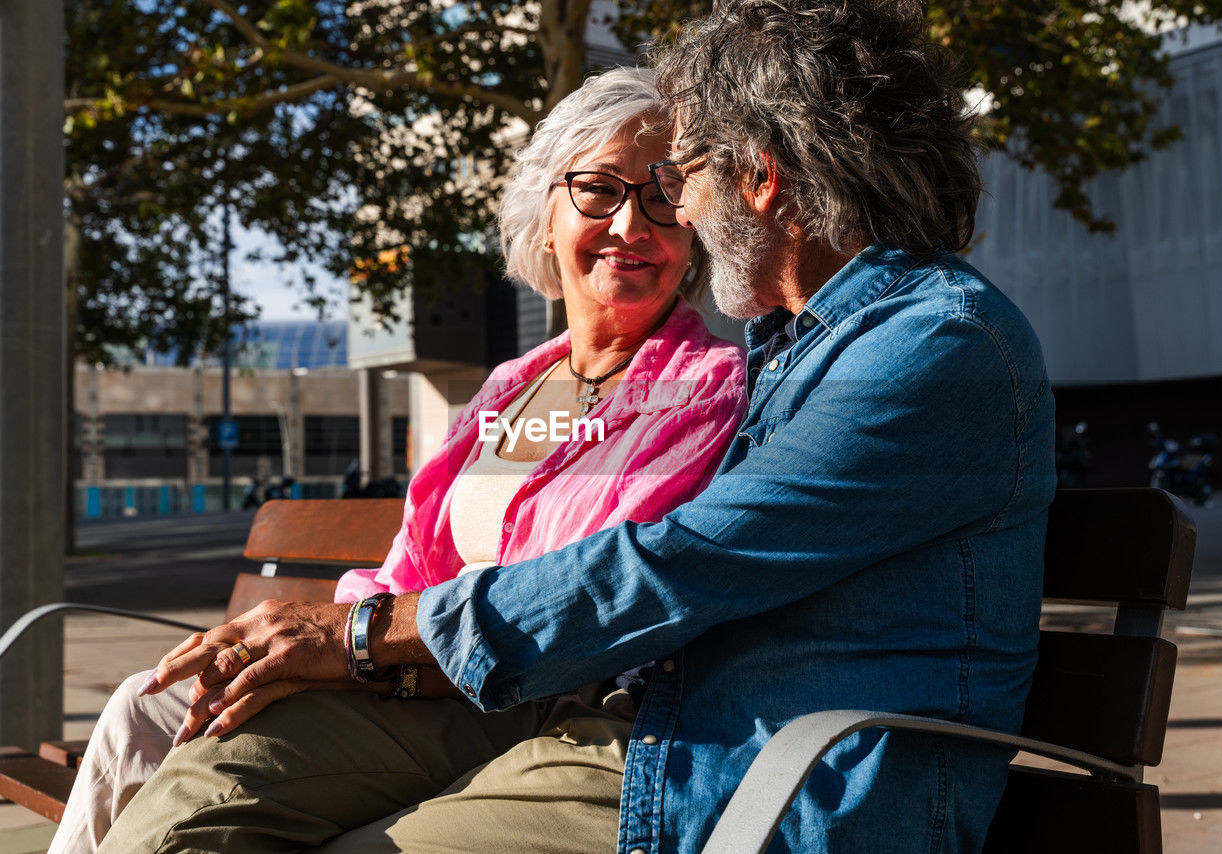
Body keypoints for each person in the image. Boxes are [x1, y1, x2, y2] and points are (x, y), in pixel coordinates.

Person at [101, 1, 1058, 851]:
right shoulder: (803, 341)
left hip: (755, 785)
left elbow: (678, 560)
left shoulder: (935, 349)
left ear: (760, 179)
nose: (670, 211)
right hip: (669, 740)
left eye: (683, 178)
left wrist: (364, 635)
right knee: (183, 811)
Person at [49, 66, 745, 854]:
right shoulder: (513, 388)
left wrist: (350, 650)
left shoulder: (704, 387)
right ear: (546, 216)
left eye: (663, 196)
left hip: (501, 697)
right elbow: (408, 564)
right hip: (397, 673)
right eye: (599, 190)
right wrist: (320, 643)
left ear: (693, 233)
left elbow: (576, 598)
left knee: (195, 808)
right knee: (142, 708)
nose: (633, 223)